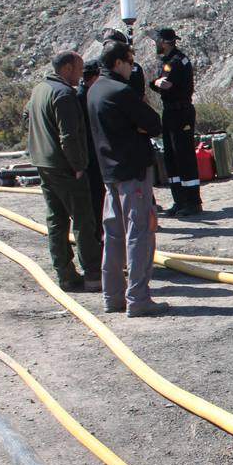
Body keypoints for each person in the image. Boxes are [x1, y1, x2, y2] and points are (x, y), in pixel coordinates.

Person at [88, 40, 170, 318]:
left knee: (113, 235)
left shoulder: (94, 90)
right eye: (130, 62)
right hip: (132, 173)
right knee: (139, 234)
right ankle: (138, 297)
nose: (131, 68)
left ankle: (112, 297)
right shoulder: (121, 92)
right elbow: (154, 124)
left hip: (109, 173)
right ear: (118, 63)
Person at [25, 50, 101, 292]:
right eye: (78, 69)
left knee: (56, 220)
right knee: (83, 220)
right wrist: (78, 165)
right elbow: (68, 136)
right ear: (67, 68)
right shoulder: (64, 94)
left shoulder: (39, 89)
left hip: (43, 163)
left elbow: (27, 116)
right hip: (64, 167)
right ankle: (93, 274)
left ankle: (65, 275)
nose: (80, 75)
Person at [149, 27, 202, 217]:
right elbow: (159, 83)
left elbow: (166, 85)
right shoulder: (167, 61)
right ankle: (179, 200)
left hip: (181, 111)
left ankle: (192, 202)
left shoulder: (177, 62)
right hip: (170, 111)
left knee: (184, 155)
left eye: (157, 41)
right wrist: (155, 83)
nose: (155, 44)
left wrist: (155, 84)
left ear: (164, 42)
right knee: (171, 157)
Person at [77, 58, 104, 246]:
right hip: (92, 159)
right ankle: (99, 245)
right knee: (97, 203)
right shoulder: (84, 97)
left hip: (92, 157)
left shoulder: (83, 95)